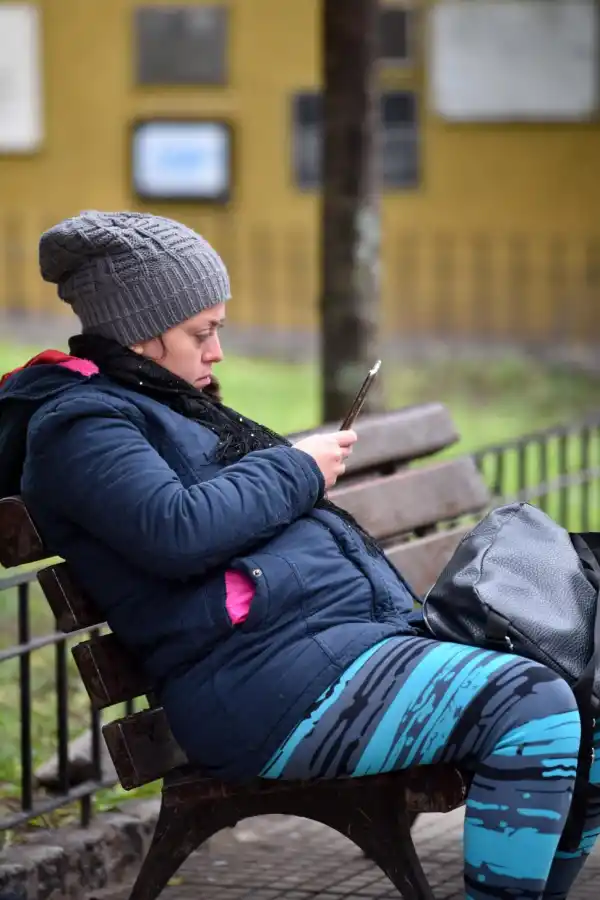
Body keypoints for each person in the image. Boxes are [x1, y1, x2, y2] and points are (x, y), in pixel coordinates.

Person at [0, 211, 597, 900]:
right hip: (261, 690)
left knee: (586, 692)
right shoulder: (80, 426)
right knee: (536, 704)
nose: (217, 350)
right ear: (141, 330)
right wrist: (298, 467)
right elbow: (176, 531)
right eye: (203, 331)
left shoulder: (160, 404)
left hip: (321, 653)